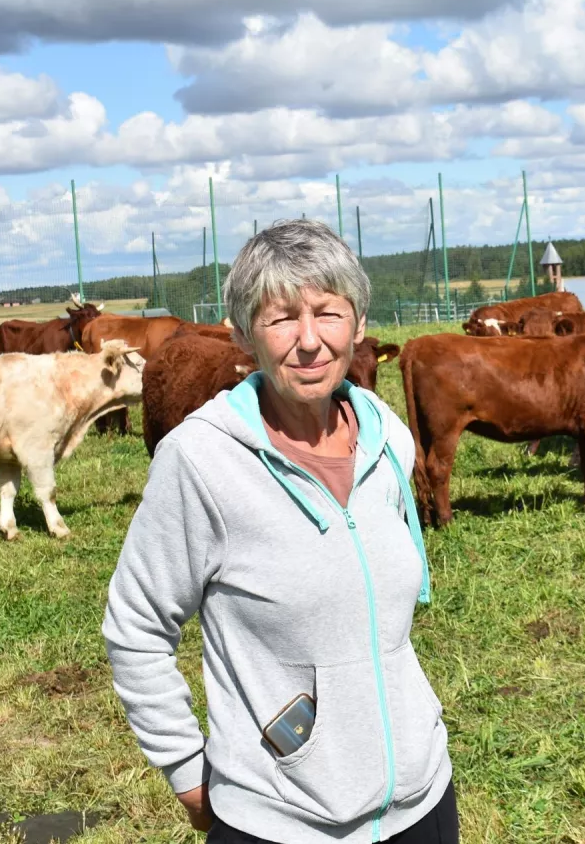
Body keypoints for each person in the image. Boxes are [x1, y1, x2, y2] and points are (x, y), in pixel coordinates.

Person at [103, 219, 456, 844]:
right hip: (279, 819)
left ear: (359, 322)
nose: (310, 340)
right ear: (244, 336)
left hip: (421, 802)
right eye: (281, 317)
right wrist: (188, 772)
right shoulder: (201, 461)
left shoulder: (388, 440)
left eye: (328, 312)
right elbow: (135, 627)